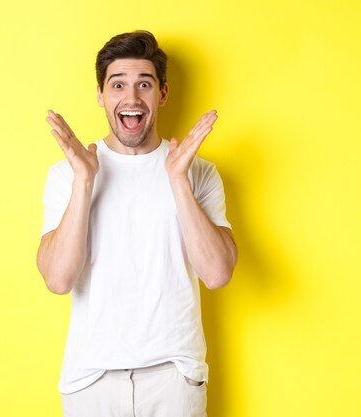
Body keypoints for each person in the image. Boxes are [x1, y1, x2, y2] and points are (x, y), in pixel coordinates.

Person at [37, 30, 237, 417]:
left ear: (161, 94)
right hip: (90, 380)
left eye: (144, 84)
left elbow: (217, 273)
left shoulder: (199, 173)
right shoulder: (67, 175)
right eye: (118, 85)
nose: (131, 98)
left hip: (174, 379)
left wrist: (177, 180)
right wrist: (84, 182)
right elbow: (58, 280)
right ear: (101, 95)